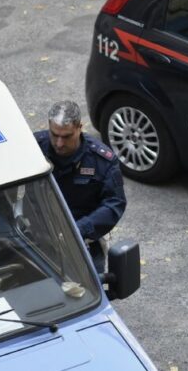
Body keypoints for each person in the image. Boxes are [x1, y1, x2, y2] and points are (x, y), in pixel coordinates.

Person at [34, 101, 126, 272]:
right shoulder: (33, 149)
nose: (59, 143)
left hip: (83, 242)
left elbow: (115, 203)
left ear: (79, 128)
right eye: (54, 135)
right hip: (39, 239)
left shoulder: (102, 161)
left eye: (66, 136)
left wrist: (79, 229)